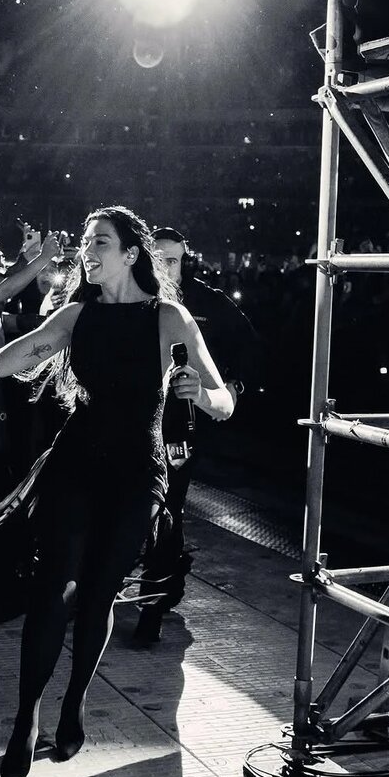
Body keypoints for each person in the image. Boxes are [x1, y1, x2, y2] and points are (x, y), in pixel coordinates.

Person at [0, 204, 234, 777]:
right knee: (53, 589)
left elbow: (223, 402)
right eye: (86, 241)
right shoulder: (76, 315)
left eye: (100, 241)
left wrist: (200, 395)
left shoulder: (170, 318)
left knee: (99, 597)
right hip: (75, 463)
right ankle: (25, 719)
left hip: (136, 473)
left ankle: (74, 700)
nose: (87, 250)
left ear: (131, 254)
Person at [131, 226, 256, 644]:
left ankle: (153, 604)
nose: (165, 267)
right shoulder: (132, 296)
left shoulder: (207, 302)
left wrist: (230, 387)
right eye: (159, 258)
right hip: (131, 422)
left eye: (173, 260)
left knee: (167, 509)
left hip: (177, 428)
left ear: (184, 261)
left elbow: (249, 345)